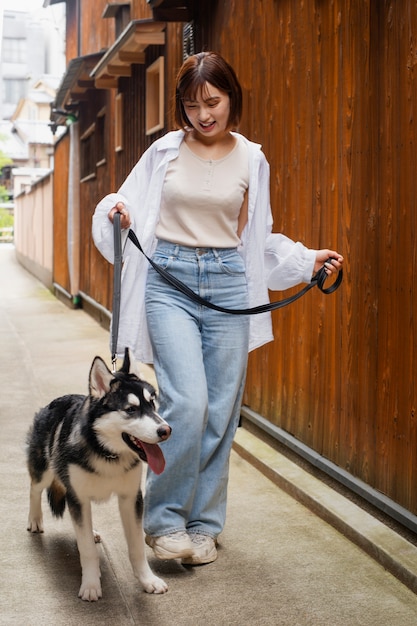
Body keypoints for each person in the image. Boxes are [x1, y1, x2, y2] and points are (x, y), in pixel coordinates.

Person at [92, 51, 343, 566]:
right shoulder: (164, 151)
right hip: (170, 279)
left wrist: (303, 260)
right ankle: (163, 524)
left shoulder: (252, 158)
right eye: (191, 105)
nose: (203, 114)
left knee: (222, 412)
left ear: (231, 98)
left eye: (213, 101)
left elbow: (256, 238)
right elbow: (127, 203)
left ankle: (203, 526)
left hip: (228, 284)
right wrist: (115, 210)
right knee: (188, 401)